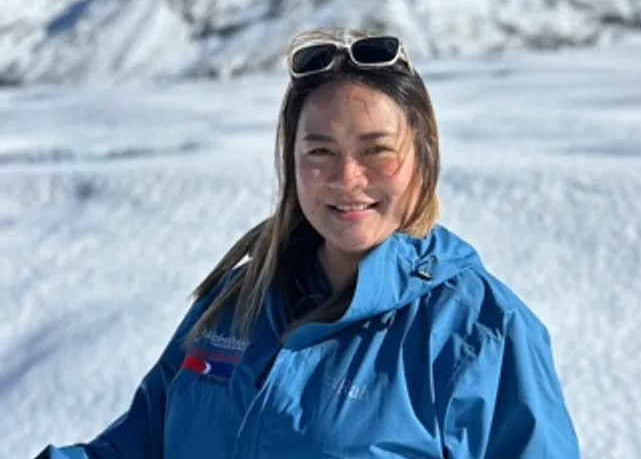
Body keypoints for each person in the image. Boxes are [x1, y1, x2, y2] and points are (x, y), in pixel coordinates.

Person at [36, 28, 580, 459]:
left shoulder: (479, 333)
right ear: (290, 161)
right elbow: (137, 447)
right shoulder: (238, 303)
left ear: (423, 157)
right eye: (320, 151)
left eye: (376, 150)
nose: (347, 177)